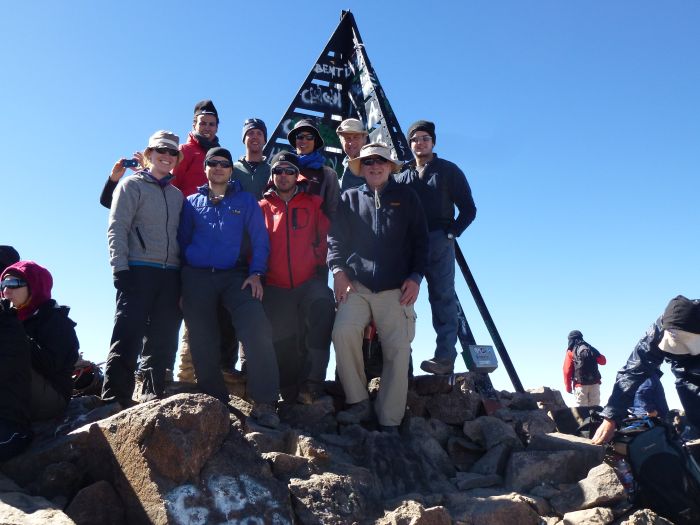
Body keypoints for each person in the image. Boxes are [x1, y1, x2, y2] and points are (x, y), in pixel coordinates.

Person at [328, 143, 428, 433]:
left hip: (396, 288)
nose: (375, 166)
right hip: (357, 286)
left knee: (398, 349)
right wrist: (338, 272)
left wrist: (416, 276)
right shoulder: (348, 199)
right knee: (342, 332)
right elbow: (335, 240)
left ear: (389, 166)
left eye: (381, 161)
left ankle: (389, 419)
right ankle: (358, 401)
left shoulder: (408, 198)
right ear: (361, 168)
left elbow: (422, 242)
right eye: (369, 162)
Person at [178, 147, 280, 428]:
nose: (219, 167)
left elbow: (260, 240)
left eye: (225, 163)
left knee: (256, 325)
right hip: (197, 276)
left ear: (231, 170)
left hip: (236, 275)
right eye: (214, 163)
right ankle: (215, 401)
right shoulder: (190, 202)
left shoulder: (246, 201)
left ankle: (265, 402)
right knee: (201, 337)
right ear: (206, 168)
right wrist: (181, 283)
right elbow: (183, 242)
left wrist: (257, 273)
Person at [103, 130, 183, 408]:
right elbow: (117, 228)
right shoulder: (130, 186)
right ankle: (114, 395)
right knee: (128, 332)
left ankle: (152, 392)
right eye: (161, 150)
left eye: (173, 152)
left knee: (163, 337)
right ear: (149, 154)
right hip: (137, 269)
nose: (167, 156)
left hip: (171, 274)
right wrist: (119, 268)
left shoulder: (178, 196)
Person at [394, 120, 477, 376]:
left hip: (439, 240)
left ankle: (444, 358)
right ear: (410, 144)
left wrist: (452, 232)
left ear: (433, 142)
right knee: (402, 298)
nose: (420, 143)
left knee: (442, 297)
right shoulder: (402, 176)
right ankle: (399, 361)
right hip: (410, 243)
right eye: (415, 139)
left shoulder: (448, 170)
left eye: (425, 138)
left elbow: (469, 209)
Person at [259, 151, 335, 403]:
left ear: (297, 175)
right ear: (272, 176)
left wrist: (315, 259)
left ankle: (313, 382)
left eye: (289, 171)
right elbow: (253, 247)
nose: (283, 175)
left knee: (323, 307)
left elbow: (326, 237)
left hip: (308, 281)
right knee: (283, 339)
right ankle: (289, 390)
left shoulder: (313, 204)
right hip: (276, 285)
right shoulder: (261, 208)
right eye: (278, 170)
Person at [592, 295, 700, 445]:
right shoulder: (656, 334)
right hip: (685, 372)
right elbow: (631, 372)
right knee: (695, 410)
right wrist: (611, 417)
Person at [0, 261, 80, 460]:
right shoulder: (11, 320)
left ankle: (14, 430)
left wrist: (14, 331)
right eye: (3, 285)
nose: (6, 290)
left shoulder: (55, 320)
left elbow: (52, 365)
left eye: (14, 283)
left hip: (51, 396)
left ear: (34, 287)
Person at [287, 119, 340, 219]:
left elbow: (333, 211)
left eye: (309, 137)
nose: (304, 141)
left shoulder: (328, 174)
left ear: (315, 141)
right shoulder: (280, 169)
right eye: (300, 137)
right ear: (295, 140)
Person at [562, 330, 607, 407]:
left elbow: (566, 371)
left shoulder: (571, 351)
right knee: (595, 411)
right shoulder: (590, 348)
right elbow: (603, 361)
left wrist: (568, 387)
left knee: (583, 413)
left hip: (580, 386)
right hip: (595, 384)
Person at [232, 118, 271, 199]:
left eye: (259, 133)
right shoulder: (232, 169)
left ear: (264, 140)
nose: (255, 137)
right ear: (244, 139)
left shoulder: (272, 171)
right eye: (250, 133)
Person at [336, 118, 369, 192]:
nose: (351, 143)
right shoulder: (346, 163)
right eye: (347, 138)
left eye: (356, 137)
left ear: (364, 139)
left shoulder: (373, 165)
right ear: (341, 141)